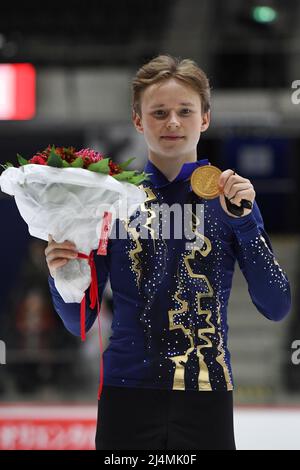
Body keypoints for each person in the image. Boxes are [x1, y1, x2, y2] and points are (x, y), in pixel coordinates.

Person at [45, 55, 291, 450]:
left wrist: (244, 224)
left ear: (205, 118)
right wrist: (62, 278)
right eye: (159, 112)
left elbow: (277, 305)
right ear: (138, 121)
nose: (172, 122)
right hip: (126, 394)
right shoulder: (112, 202)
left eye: (184, 111)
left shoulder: (231, 199)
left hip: (205, 393)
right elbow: (79, 322)